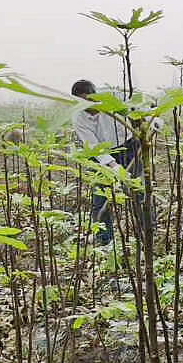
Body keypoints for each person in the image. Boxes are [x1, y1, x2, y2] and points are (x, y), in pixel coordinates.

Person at [70, 79, 141, 245]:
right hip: (100, 154)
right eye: (84, 102)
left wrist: (150, 119)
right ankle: (104, 239)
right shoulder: (78, 118)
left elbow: (136, 107)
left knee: (139, 190)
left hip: (129, 147)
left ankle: (146, 232)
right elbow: (93, 145)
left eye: (92, 100)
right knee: (100, 198)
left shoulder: (113, 98)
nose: (90, 105)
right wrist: (113, 166)